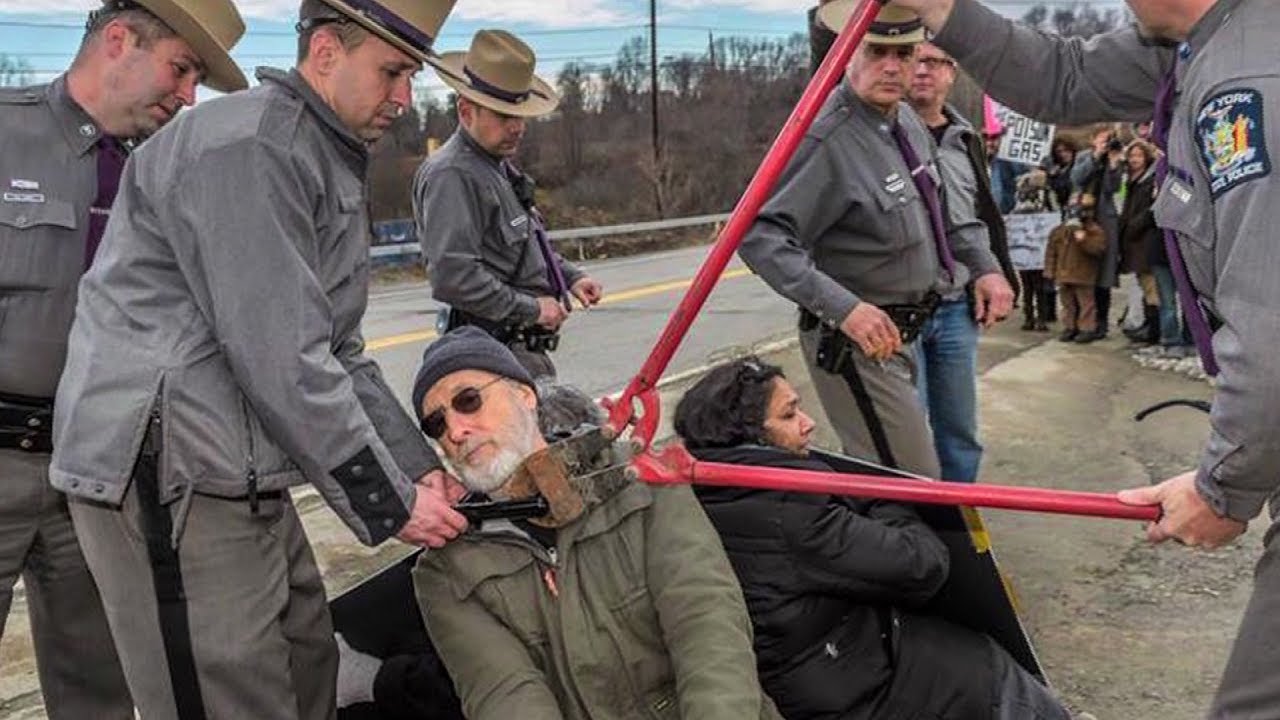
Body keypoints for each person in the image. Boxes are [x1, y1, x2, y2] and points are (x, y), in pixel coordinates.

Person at [49, 0, 469, 716]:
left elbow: (339, 348)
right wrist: (391, 501)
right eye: (392, 72)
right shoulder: (250, 148)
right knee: (231, 698)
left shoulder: (319, 151)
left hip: (242, 467)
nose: (404, 98)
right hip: (172, 472)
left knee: (309, 667)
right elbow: (284, 357)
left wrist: (418, 468)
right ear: (327, 52)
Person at [890, 0, 1280, 715]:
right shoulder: (1197, 42)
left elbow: (1272, 331)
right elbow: (1061, 77)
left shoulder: (1251, 81)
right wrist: (940, 8)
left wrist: (1223, 489)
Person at [0, 0, 247, 716]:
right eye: (181, 69)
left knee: (102, 692)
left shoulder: (165, 173)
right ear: (118, 41)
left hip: (94, 474)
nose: (189, 96)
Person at [408, 327, 782, 719]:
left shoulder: (636, 477)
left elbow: (707, 622)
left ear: (525, 395)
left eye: (468, 400)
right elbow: (505, 695)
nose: (456, 431)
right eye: (436, 424)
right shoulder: (447, 571)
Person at [674, 357, 1075, 720]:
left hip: (821, 664)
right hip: (854, 688)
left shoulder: (704, 490)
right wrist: (876, 490)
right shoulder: (793, 512)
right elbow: (923, 563)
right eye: (790, 414)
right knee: (987, 667)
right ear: (751, 438)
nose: (808, 422)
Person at [739, 3, 1013, 480]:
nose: (891, 66)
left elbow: (942, 213)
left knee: (937, 458)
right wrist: (843, 308)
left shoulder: (905, 122)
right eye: (876, 51)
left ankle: (941, 530)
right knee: (905, 477)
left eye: (903, 54)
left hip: (916, 323)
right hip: (859, 339)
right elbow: (759, 234)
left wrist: (984, 266)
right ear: (848, 54)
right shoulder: (825, 136)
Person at [413, 29, 603, 379]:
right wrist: (532, 309)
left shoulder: (496, 166)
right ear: (465, 111)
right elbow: (453, 277)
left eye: (520, 116)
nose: (517, 128)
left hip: (519, 352)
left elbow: (524, 249)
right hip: (494, 355)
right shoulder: (453, 174)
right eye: (503, 116)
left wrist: (571, 277)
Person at [907, 40, 1019, 483]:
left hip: (956, 307)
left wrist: (992, 273)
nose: (923, 70)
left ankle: (959, 511)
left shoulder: (965, 140)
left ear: (952, 73)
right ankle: (906, 514)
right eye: (914, 59)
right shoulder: (878, 134)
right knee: (906, 431)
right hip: (899, 308)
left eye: (934, 62)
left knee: (960, 430)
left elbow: (976, 218)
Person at [1070, 125, 1125, 339]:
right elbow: (1077, 178)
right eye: (1103, 139)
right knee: (1080, 269)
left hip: (1105, 219)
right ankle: (1081, 322)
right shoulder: (1084, 156)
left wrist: (1113, 163)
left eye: (1109, 139)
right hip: (1083, 216)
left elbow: (1113, 188)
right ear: (1093, 140)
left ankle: (1101, 323)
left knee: (1104, 273)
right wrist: (1096, 156)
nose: (1106, 143)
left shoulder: (1115, 158)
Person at [1045, 194, 1108, 343]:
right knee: (1067, 304)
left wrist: (1084, 239)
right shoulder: (1059, 231)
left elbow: (1098, 250)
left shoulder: (1094, 230)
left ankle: (1087, 329)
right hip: (1063, 273)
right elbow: (1051, 252)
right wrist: (1050, 271)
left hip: (1083, 275)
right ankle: (1070, 327)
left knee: (1086, 304)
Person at [1117, 139, 1161, 346]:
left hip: (1145, 239)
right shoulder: (1130, 179)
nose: (1134, 159)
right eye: (1132, 155)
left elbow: (1151, 210)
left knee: (1151, 287)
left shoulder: (1150, 180)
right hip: (1133, 240)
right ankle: (1147, 325)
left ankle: (1154, 330)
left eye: (1139, 155)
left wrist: (1133, 226)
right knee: (1143, 285)